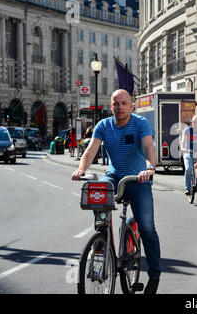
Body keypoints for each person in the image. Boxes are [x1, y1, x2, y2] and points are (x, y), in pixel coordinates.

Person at [71, 89, 161, 294]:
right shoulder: (103, 125)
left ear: (131, 106)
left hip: (138, 178)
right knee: (98, 187)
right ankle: (103, 237)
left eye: (123, 103)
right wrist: (81, 169)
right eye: (115, 103)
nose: (119, 107)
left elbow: (148, 147)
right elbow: (91, 150)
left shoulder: (140, 123)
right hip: (114, 176)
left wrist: (149, 168)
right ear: (110, 106)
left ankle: (154, 275)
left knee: (147, 228)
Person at [181, 115, 197, 196]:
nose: (196, 124)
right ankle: (187, 188)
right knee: (188, 168)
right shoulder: (187, 130)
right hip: (188, 153)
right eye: (194, 122)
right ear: (192, 122)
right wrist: (184, 149)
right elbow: (182, 143)